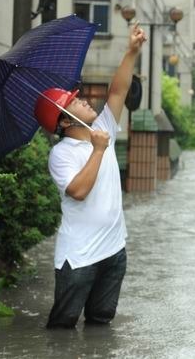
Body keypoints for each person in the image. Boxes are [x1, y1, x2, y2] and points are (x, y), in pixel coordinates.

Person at [34, 24, 146, 329]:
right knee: (62, 327)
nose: (83, 99)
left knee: (100, 324)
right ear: (63, 121)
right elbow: (79, 191)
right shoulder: (62, 154)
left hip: (114, 251)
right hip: (79, 257)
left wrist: (131, 51)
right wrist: (97, 151)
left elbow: (119, 90)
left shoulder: (104, 127)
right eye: (74, 101)